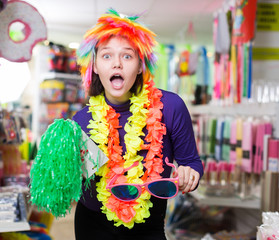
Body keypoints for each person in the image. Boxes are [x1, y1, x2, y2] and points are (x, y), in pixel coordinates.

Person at [72, 8, 203, 240]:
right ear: (94, 67)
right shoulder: (81, 122)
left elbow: (191, 162)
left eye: (127, 56)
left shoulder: (171, 107)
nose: (117, 65)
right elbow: (74, 183)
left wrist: (189, 174)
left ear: (141, 66)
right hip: (93, 224)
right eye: (106, 56)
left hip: (149, 225)